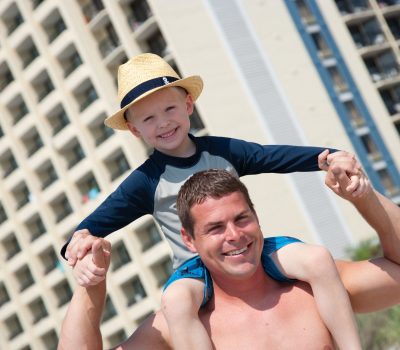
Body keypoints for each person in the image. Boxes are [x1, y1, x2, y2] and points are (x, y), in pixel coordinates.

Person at [61, 53, 365, 349]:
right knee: (175, 302)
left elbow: (275, 156)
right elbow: (92, 225)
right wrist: (79, 241)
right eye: (149, 118)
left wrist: (327, 157)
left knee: (318, 259)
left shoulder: (224, 151)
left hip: (248, 250)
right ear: (135, 129)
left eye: (170, 109)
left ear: (188, 105)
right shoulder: (145, 182)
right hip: (195, 269)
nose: (163, 123)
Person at [58, 165, 400, 349]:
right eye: (216, 228)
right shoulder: (176, 324)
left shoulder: (315, 286)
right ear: (189, 241)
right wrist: (92, 285)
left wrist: (364, 197)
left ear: (256, 216)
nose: (234, 236)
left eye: (242, 219)